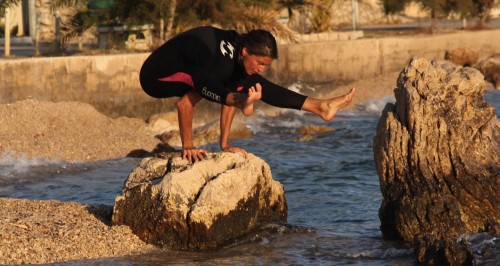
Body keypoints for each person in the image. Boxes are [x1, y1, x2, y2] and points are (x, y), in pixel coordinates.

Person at [140, 26, 355, 163]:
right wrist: (188, 147)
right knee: (201, 78)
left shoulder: (237, 51)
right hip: (155, 76)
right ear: (244, 51)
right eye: (260, 63)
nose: (262, 68)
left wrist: (225, 145)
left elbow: (232, 84)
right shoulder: (220, 64)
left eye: (266, 65)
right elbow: (185, 104)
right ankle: (242, 100)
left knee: (251, 80)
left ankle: (319, 106)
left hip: (196, 67)